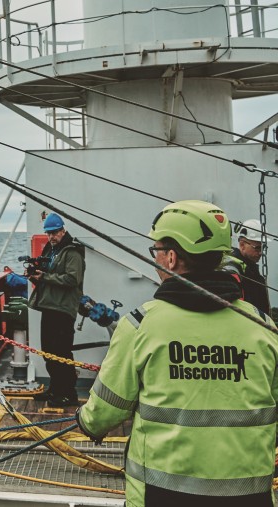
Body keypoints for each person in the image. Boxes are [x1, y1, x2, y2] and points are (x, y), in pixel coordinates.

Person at [77, 200, 278, 507]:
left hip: (161, 494)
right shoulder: (264, 328)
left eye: (156, 250)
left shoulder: (140, 326)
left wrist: (86, 421)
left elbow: (104, 413)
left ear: (170, 258)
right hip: (250, 497)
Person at [29, 212, 85, 405]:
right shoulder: (52, 250)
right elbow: (49, 273)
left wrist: (44, 277)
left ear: (63, 231)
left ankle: (68, 394)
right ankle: (55, 390)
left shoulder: (72, 252)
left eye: (54, 232)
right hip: (50, 306)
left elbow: (72, 279)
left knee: (62, 352)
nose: (51, 237)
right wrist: (36, 274)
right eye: (48, 233)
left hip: (63, 309)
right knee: (49, 351)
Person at [221, 219, 269, 315]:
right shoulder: (233, 270)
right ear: (242, 245)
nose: (261, 253)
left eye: (263, 248)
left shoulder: (250, 270)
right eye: (257, 248)